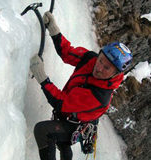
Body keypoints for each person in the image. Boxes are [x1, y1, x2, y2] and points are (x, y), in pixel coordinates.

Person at [30, 11, 133, 160]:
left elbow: (61, 102)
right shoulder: (91, 59)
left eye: (107, 68)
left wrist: (42, 77)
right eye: (101, 60)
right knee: (61, 142)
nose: (99, 68)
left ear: (115, 74)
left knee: (43, 131)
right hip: (68, 115)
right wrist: (54, 30)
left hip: (74, 125)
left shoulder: (100, 95)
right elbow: (67, 53)